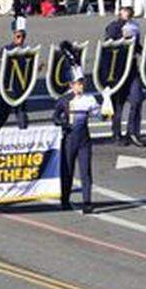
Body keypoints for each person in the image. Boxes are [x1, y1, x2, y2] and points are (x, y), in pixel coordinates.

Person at [54, 66, 104, 214]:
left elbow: (100, 116)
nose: (81, 85)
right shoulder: (64, 100)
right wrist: (63, 123)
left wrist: (106, 104)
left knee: (86, 171)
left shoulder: (90, 99)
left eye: (82, 82)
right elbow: (55, 117)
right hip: (69, 140)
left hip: (84, 141)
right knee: (67, 171)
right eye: (78, 83)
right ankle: (64, 199)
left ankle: (87, 202)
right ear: (71, 85)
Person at [103, 6, 146, 147]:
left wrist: (145, 52)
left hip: (132, 68)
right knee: (118, 104)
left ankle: (133, 132)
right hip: (117, 70)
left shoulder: (135, 26)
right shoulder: (113, 27)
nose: (127, 12)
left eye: (129, 10)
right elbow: (109, 44)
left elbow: (137, 45)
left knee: (137, 99)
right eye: (124, 10)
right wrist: (122, 35)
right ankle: (116, 134)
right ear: (119, 12)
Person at [0, 14, 30, 131]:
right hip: (8, 87)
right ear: (14, 36)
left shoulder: (27, 51)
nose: (21, 40)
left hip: (21, 87)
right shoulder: (6, 50)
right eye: (18, 36)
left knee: (22, 113)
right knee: (3, 114)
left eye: (23, 37)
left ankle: (25, 136)